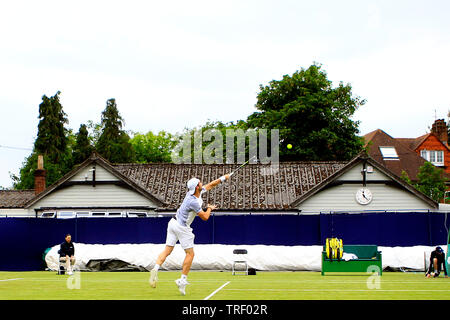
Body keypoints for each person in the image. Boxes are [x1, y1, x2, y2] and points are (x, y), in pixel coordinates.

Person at [149, 174, 230, 295]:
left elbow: (211, 185)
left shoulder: (194, 192)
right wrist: (209, 208)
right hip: (182, 227)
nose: (202, 182)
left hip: (172, 223)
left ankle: (155, 269)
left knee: (167, 250)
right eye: (200, 182)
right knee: (190, 254)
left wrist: (224, 178)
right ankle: (182, 280)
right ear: (197, 187)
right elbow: (205, 217)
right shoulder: (194, 202)